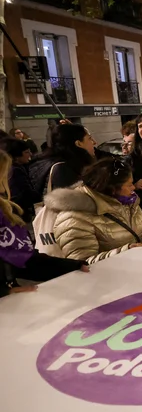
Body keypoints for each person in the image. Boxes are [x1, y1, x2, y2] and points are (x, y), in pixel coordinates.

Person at [45, 157, 142, 264]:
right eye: (129, 185)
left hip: (134, 271)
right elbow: (81, 264)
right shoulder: (74, 217)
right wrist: (126, 251)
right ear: (112, 188)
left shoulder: (126, 203)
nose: (133, 188)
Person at [0, 152, 88, 298]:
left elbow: (24, 260)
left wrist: (73, 266)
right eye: (4, 174)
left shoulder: (6, 211)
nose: (7, 180)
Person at [29, 124, 96, 195]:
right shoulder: (63, 169)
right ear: (78, 143)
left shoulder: (46, 161)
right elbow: (67, 199)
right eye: (89, 138)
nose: (94, 142)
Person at [4, 138, 39, 222]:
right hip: (19, 212)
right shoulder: (16, 170)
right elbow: (26, 192)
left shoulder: (16, 167)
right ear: (17, 155)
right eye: (26, 152)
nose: (30, 154)